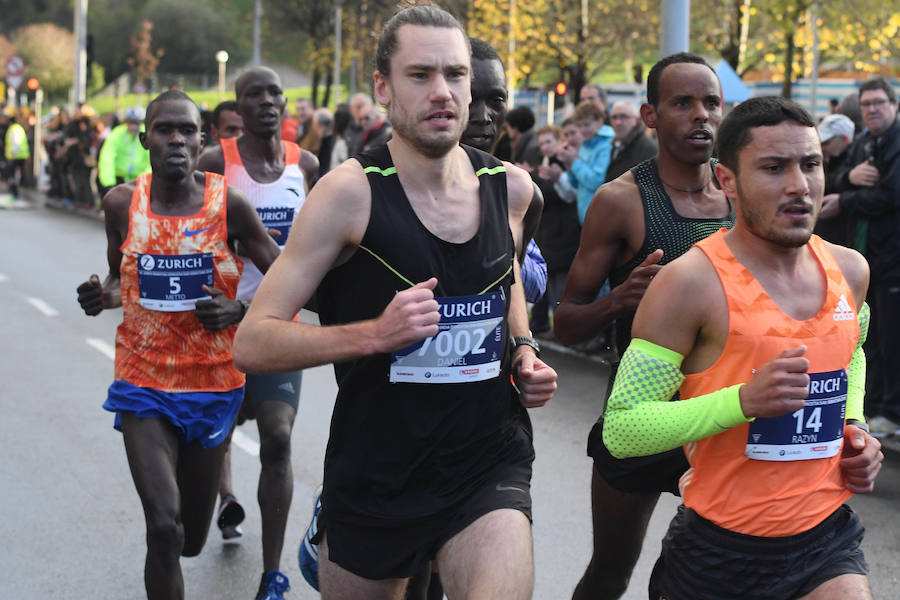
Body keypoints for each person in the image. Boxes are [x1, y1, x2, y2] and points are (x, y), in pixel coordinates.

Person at [233, 6, 557, 599]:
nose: (442, 92)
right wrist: (374, 335)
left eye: (455, 75)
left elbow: (503, 272)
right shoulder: (347, 195)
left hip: (485, 461)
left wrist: (523, 348)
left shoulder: (510, 189)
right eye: (420, 75)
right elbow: (253, 341)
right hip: (378, 470)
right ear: (383, 87)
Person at [603, 95, 883, 600]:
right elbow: (623, 429)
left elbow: (852, 353)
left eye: (811, 165)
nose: (799, 185)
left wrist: (855, 425)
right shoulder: (689, 284)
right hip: (720, 552)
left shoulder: (850, 270)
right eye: (774, 168)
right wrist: (743, 402)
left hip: (825, 539)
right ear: (726, 179)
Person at [75, 89, 280, 600]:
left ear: (201, 139)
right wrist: (100, 296)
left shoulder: (228, 205)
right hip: (143, 382)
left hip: (213, 385)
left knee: (190, 539)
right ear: (145, 139)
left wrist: (240, 310)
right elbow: (120, 280)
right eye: (164, 129)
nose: (176, 139)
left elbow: (287, 278)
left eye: (186, 130)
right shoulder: (122, 204)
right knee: (164, 529)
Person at [555, 53, 735, 600]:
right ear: (650, 116)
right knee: (611, 571)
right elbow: (565, 324)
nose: (701, 115)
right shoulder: (621, 201)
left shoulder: (741, 192)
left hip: (724, 413)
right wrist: (619, 300)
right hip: (643, 413)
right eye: (683, 103)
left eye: (711, 103)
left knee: (721, 574)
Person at [197, 66, 319, 600]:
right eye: (254, 94)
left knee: (278, 436)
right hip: (218, 326)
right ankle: (220, 497)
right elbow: (191, 236)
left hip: (277, 323)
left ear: (285, 103)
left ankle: (272, 574)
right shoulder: (214, 162)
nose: (267, 101)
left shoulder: (305, 164)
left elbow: (319, 243)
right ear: (238, 105)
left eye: (275, 93)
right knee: (213, 438)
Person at [821, 77, 900, 437]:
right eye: (866, 103)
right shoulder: (864, 143)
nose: (872, 109)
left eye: (879, 102)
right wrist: (849, 177)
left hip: (892, 260)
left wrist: (846, 199)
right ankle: (875, 407)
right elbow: (835, 178)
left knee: (891, 340)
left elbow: (891, 196)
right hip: (867, 258)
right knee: (869, 340)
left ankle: (891, 412)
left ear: (894, 105)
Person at [557, 100, 615, 224]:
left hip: (601, 218)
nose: (583, 130)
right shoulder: (585, 144)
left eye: (587, 124)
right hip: (587, 217)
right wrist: (569, 165)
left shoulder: (607, 144)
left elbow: (596, 182)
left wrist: (574, 161)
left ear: (600, 121)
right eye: (579, 126)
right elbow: (577, 184)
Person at [813, 113, 855, 246]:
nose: (822, 148)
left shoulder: (856, 161)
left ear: (844, 139)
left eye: (827, 143)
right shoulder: (828, 159)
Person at [97, 105, 151, 197]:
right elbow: (107, 157)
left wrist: (146, 181)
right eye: (130, 123)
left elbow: (151, 159)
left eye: (136, 123)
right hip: (119, 179)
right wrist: (109, 184)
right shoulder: (117, 133)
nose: (133, 127)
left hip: (140, 180)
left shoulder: (146, 134)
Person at [604, 100, 657, 182]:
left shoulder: (648, 148)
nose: (618, 122)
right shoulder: (616, 144)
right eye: (614, 117)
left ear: (637, 119)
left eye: (624, 116)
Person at [3, 110, 30, 200]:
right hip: (22, 156)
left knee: (13, 175)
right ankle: (16, 192)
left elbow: (16, 142)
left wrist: (13, 153)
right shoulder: (19, 128)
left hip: (16, 156)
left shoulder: (13, 129)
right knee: (18, 175)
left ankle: (15, 192)